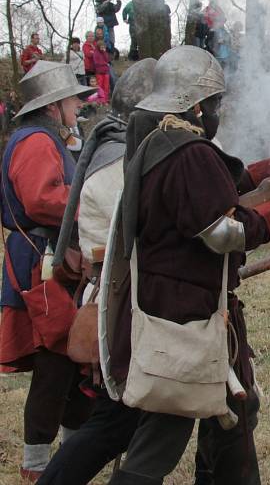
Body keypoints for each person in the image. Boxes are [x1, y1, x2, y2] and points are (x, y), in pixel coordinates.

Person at [104, 46, 270, 484]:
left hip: (177, 302)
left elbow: (214, 187)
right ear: (196, 105)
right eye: (214, 103)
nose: (217, 112)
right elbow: (222, 231)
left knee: (234, 409)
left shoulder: (161, 143)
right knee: (164, 438)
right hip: (186, 315)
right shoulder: (188, 152)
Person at [36, 61, 157, 485]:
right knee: (113, 424)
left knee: (128, 423)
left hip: (123, 300)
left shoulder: (117, 151)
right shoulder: (118, 162)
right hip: (123, 305)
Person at [0, 62, 97, 481]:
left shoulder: (43, 137)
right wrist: (92, 205)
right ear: (55, 105)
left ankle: (72, 452)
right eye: (74, 98)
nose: (80, 104)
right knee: (56, 359)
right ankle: (38, 463)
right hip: (42, 261)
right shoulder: (37, 141)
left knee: (71, 359)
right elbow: (42, 201)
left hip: (49, 256)